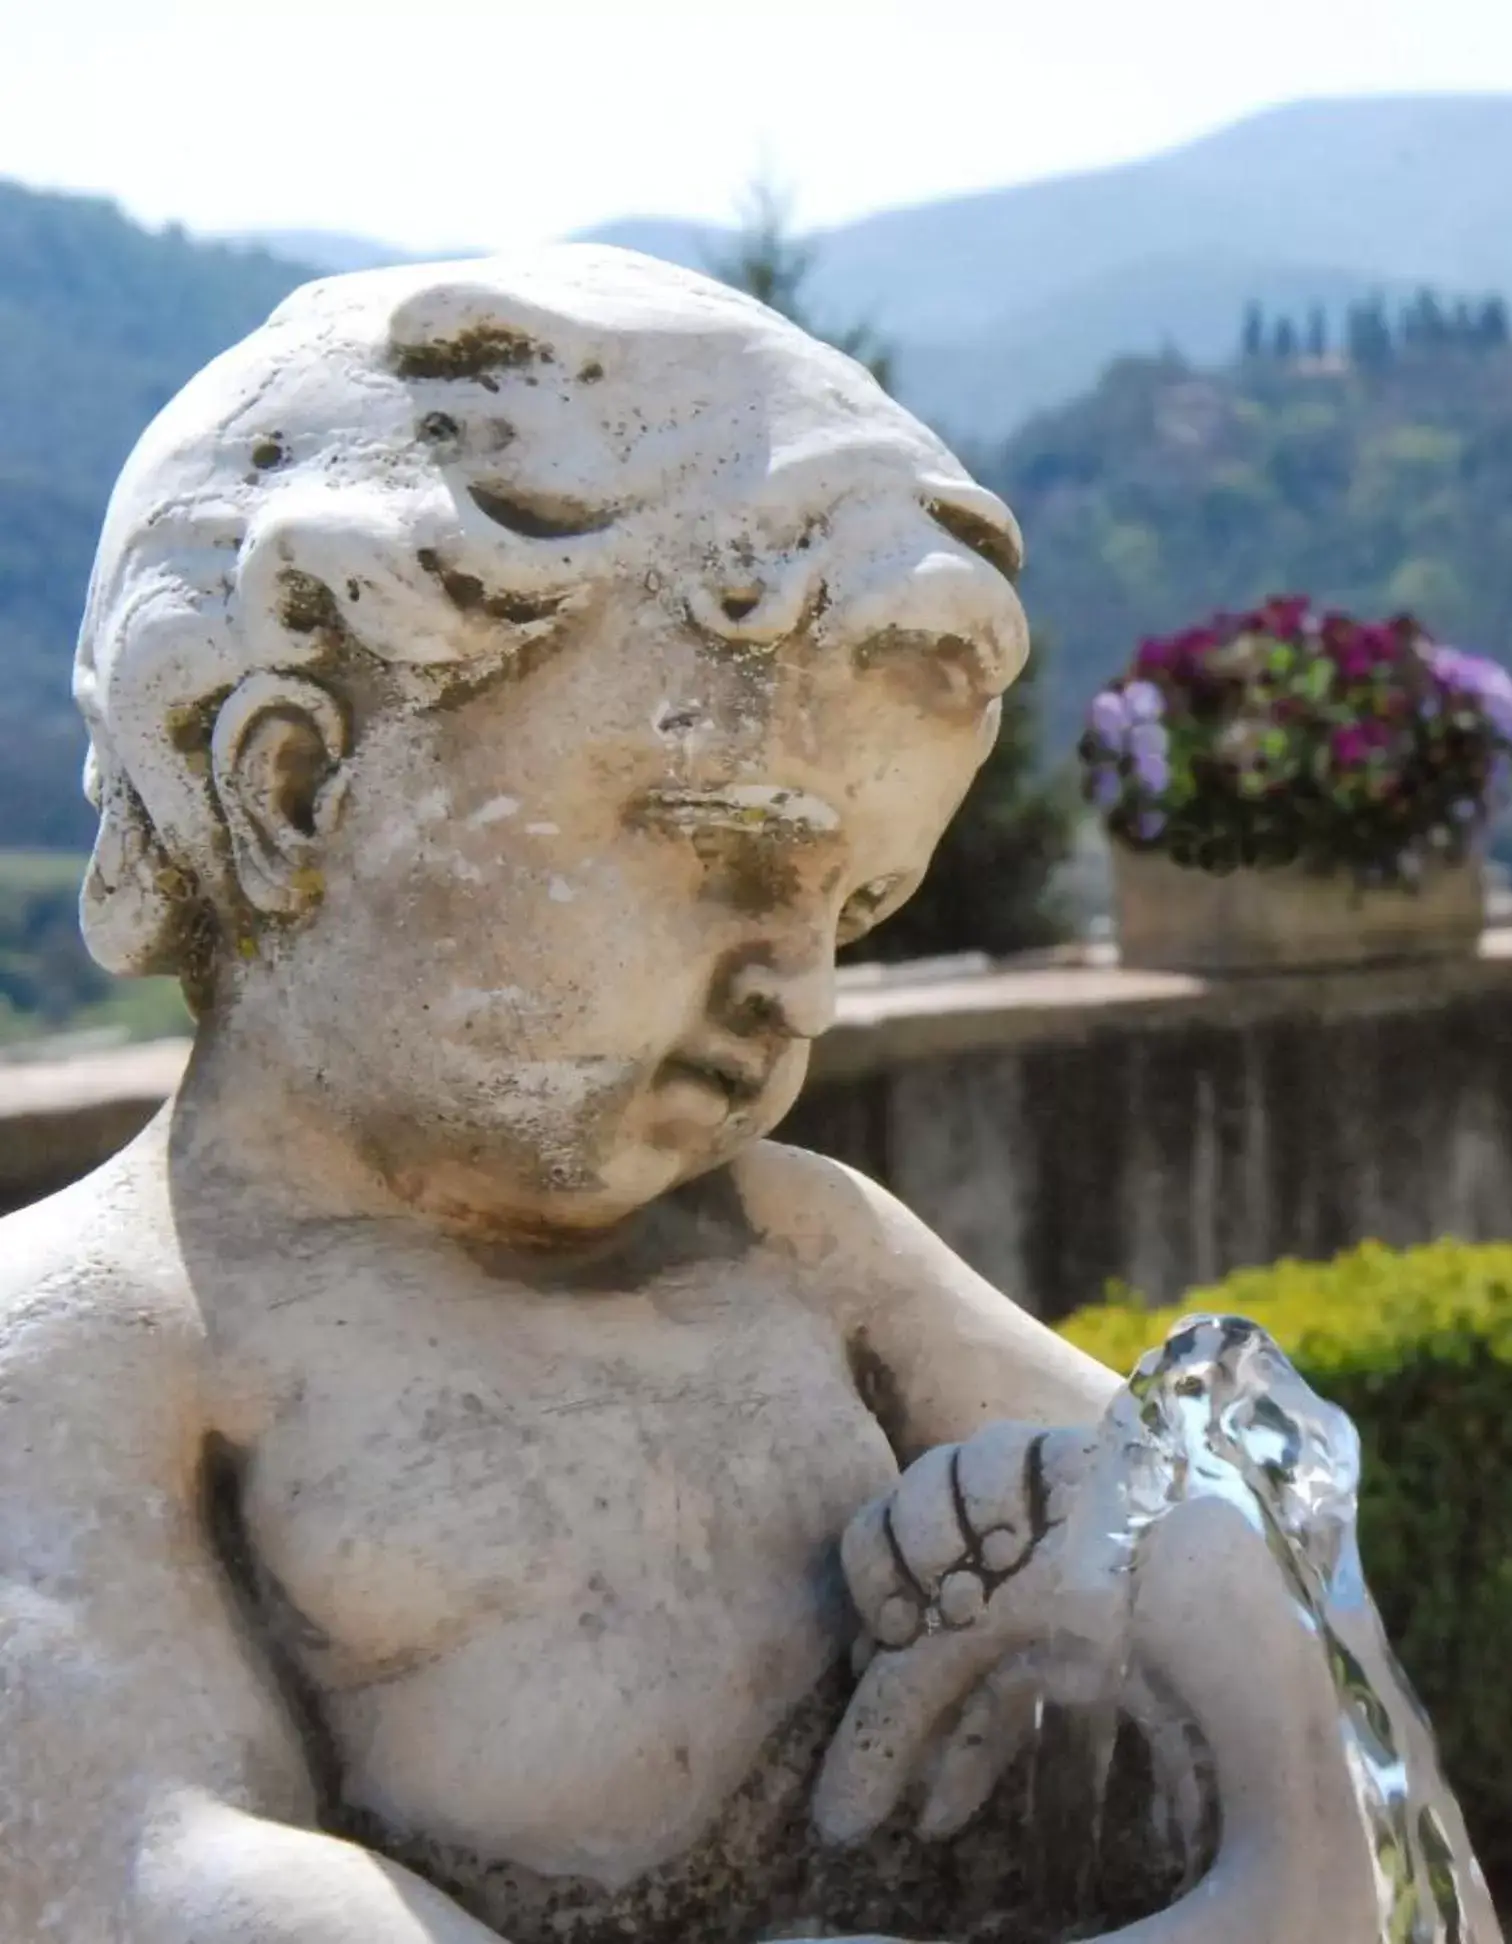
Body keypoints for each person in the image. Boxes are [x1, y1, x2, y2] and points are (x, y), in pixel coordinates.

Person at [0, 246, 1380, 1943]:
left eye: (856, 906)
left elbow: (1255, 1532)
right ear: (295, 786)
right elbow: (149, 1872)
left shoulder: (813, 1251)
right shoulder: (96, 1345)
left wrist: (1144, 1583)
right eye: (732, 849)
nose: (798, 981)